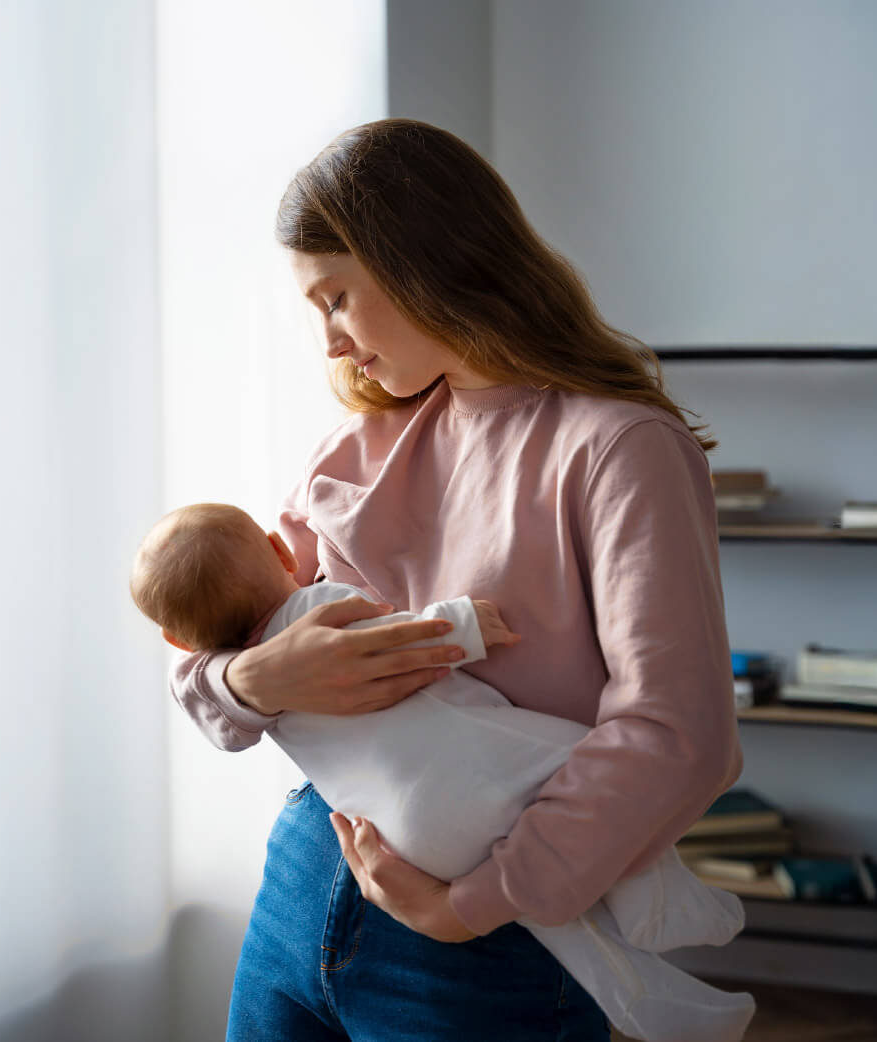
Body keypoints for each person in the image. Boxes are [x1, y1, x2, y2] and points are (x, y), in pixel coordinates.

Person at [169, 118, 744, 1042]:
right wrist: (249, 679)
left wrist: (474, 903)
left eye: (337, 300)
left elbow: (680, 734)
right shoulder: (355, 446)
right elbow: (217, 640)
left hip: (486, 941)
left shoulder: (619, 449)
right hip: (301, 883)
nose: (330, 344)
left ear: (418, 261)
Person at [133, 503, 756, 1040]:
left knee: (570, 929)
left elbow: (673, 737)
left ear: (177, 638)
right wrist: (462, 624)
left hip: (403, 837)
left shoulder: (619, 446)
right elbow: (405, 637)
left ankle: (665, 992)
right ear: (278, 550)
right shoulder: (319, 605)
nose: (338, 354)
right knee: (574, 759)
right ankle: (661, 899)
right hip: (465, 801)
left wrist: (242, 675)